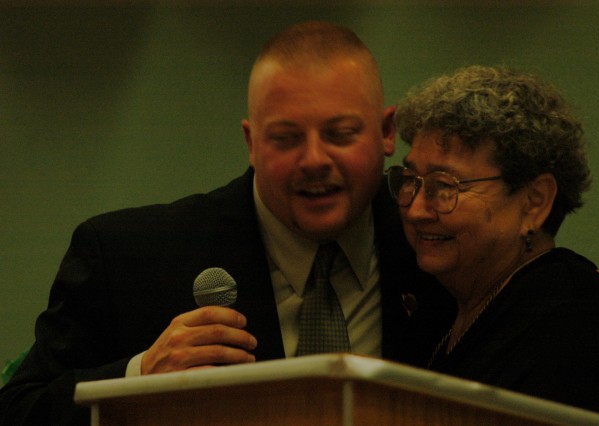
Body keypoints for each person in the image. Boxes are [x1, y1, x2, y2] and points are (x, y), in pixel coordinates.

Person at [0, 22, 455, 425]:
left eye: (339, 134)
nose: (314, 160)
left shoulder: (437, 251)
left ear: (386, 132)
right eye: (286, 138)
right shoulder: (126, 257)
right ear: (251, 142)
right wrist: (138, 377)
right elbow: (18, 409)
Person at [389, 65, 599, 420]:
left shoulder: (579, 326)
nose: (415, 210)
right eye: (410, 179)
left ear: (535, 201)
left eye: (445, 186)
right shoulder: (446, 304)